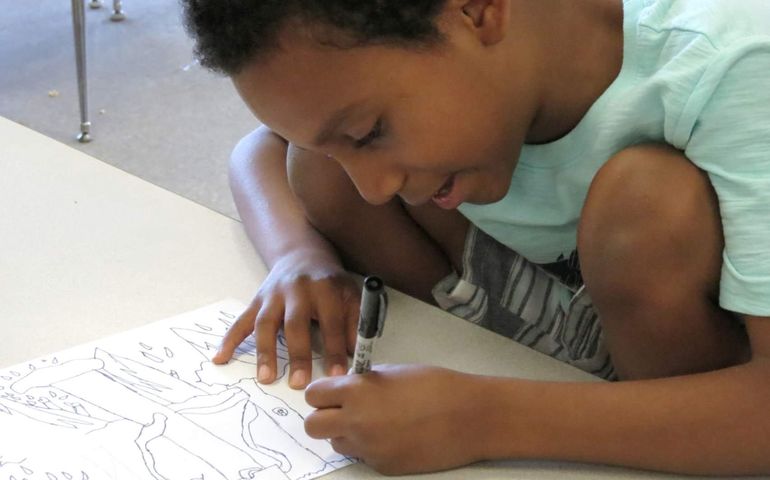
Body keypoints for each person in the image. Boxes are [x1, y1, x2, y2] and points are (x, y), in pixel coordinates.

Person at [181, 0, 770, 475]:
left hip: (689, 381)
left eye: (368, 132)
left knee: (648, 201)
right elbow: (261, 149)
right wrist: (297, 255)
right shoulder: (384, 75)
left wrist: (485, 419)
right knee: (315, 169)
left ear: (478, 11)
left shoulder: (734, 64)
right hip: (530, 330)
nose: (374, 189)